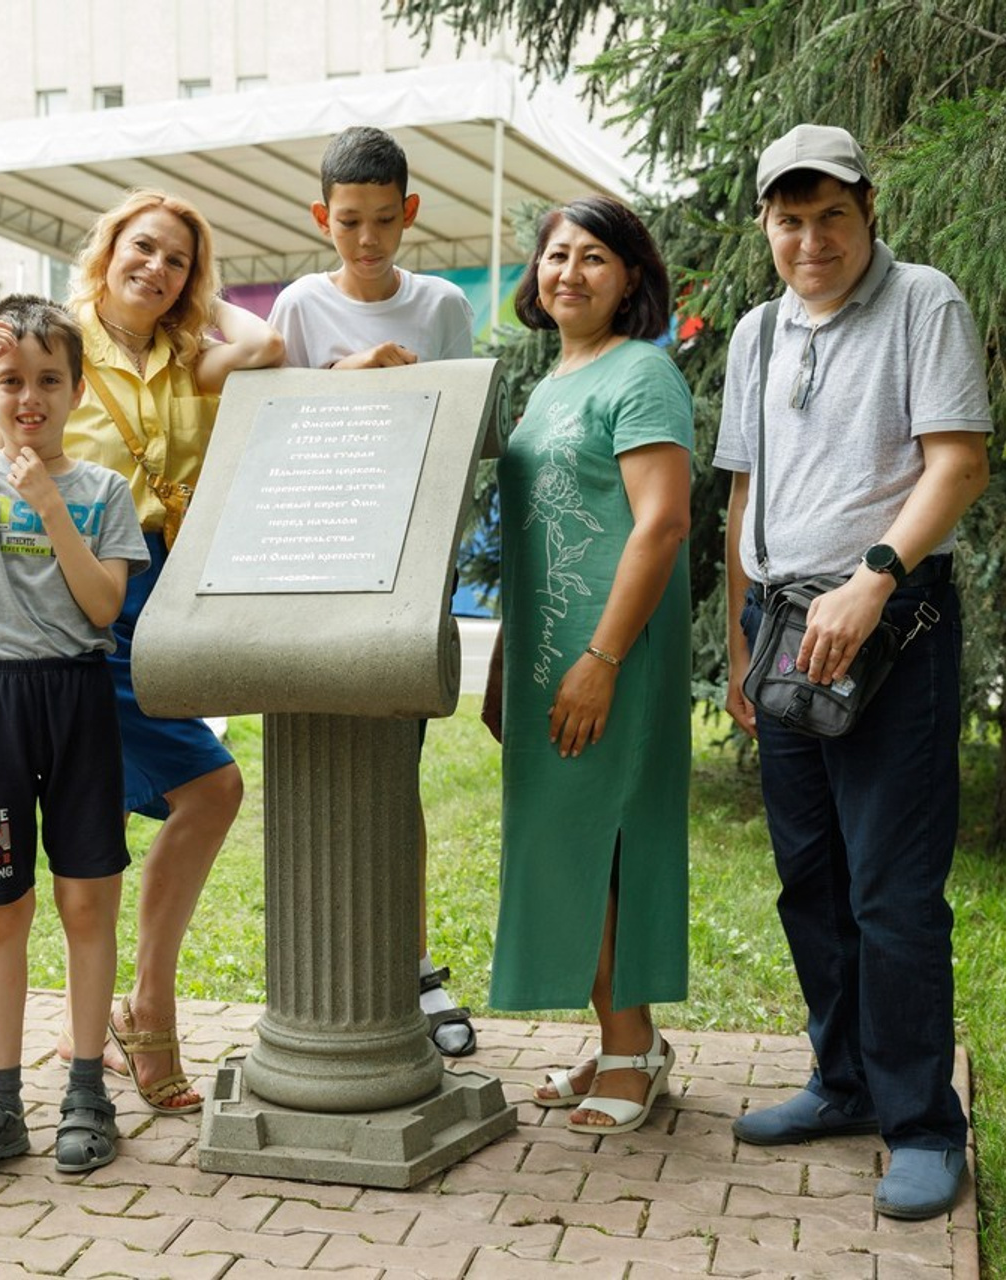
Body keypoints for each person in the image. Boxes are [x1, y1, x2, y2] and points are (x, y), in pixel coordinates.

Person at [717, 124, 990, 1220]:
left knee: (890, 892)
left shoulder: (921, 300)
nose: (809, 237)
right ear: (764, 226)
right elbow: (741, 487)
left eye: (829, 213)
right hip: (782, 621)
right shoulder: (752, 331)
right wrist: (742, 642)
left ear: (866, 210)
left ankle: (922, 1121)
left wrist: (874, 574)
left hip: (894, 621)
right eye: (788, 218)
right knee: (810, 880)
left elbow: (957, 460)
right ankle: (842, 1081)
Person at [56, 189, 284, 1111]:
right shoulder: (61, 341)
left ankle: (129, 1014)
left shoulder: (190, 355)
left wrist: (197, 300)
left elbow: (266, 347)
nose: (155, 268)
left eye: (178, 260)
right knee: (210, 788)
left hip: (171, 600)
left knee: (192, 797)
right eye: (140, 248)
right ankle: (144, 1013)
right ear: (107, 248)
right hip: (84, 600)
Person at [0, 297, 149, 1184]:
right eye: (9, 380)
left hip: (77, 697)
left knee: (87, 900)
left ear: (76, 389)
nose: (29, 397)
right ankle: (2, 1102)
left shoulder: (103, 492)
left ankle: (88, 1088)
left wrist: (50, 503)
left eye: (48, 380)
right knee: (1, 907)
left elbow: (102, 607)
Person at [267, 125, 480, 1057]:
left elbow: (461, 427)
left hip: (408, 562)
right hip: (317, 561)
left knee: (398, 777)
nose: (366, 240)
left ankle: (413, 966)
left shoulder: (439, 306)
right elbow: (269, 420)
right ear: (322, 217)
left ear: (411, 214)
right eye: (348, 222)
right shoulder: (300, 307)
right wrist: (356, 374)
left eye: (383, 221)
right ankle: (323, 971)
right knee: (314, 769)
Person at [482, 196, 692, 1134]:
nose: (569, 271)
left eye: (595, 257)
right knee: (565, 841)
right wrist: (503, 667)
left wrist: (602, 658)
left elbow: (663, 523)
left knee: (610, 839)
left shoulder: (641, 373)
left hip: (611, 650)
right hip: (548, 655)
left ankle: (632, 1046)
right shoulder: (553, 379)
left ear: (632, 278)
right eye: (556, 255)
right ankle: (619, 1038)